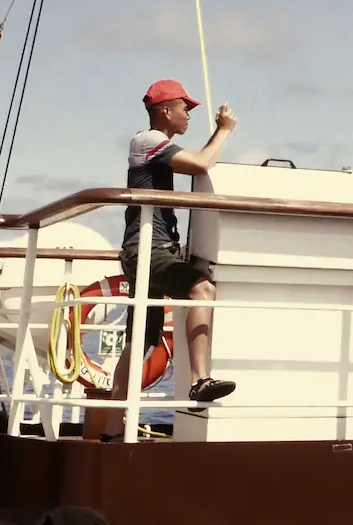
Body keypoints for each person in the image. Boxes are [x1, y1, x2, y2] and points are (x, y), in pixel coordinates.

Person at [91, 78, 236, 439]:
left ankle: (112, 429)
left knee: (140, 340)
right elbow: (201, 163)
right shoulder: (148, 140)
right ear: (166, 111)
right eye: (186, 108)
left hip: (147, 250)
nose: (189, 115)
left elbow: (196, 161)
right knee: (202, 290)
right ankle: (200, 380)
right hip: (149, 249)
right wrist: (224, 130)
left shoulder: (155, 145)